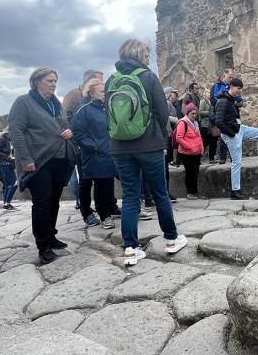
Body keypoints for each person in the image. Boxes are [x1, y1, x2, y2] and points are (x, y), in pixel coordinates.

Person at [107, 39, 188, 265]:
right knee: (160, 193)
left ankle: (131, 249)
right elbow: (162, 113)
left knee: (131, 196)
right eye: (146, 54)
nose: (147, 58)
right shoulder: (148, 77)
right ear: (138, 55)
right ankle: (171, 240)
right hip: (148, 145)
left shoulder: (111, 80)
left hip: (120, 147)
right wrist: (156, 135)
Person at [8, 68, 77, 264]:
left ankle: (51, 235)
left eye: (55, 80)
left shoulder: (56, 103)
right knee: (42, 202)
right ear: (36, 81)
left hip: (58, 159)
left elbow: (63, 126)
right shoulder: (24, 102)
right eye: (49, 80)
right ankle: (43, 245)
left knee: (54, 200)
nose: (54, 84)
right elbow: (16, 131)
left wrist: (68, 132)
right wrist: (25, 159)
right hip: (38, 161)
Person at [214, 77, 258, 200]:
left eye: (241, 89)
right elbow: (219, 122)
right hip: (231, 134)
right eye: (238, 88)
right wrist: (232, 134)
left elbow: (231, 117)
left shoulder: (231, 99)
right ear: (231, 87)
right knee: (237, 162)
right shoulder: (223, 101)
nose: (240, 91)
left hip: (239, 128)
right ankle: (235, 191)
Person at [71, 77, 117, 229]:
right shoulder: (83, 110)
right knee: (100, 184)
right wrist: (95, 146)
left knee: (108, 182)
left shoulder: (105, 107)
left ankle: (110, 209)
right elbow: (78, 133)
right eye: (102, 91)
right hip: (94, 154)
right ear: (91, 93)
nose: (105, 93)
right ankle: (104, 215)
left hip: (108, 152)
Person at [176, 103, 205, 199]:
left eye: (195, 113)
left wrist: (201, 148)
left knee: (195, 172)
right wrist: (189, 147)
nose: (194, 115)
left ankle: (195, 192)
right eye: (192, 113)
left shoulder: (195, 123)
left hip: (196, 152)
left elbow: (199, 137)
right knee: (189, 173)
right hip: (187, 153)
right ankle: (190, 193)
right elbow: (179, 138)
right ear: (187, 113)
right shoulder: (182, 123)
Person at [210, 68, 234, 164]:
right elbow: (213, 99)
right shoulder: (217, 86)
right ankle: (222, 157)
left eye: (232, 77)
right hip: (221, 114)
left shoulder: (232, 86)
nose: (231, 79)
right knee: (223, 135)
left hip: (231, 115)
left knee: (233, 135)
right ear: (224, 75)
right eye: (229, 77)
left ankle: (233, 157)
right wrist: (224, 104)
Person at [0, 129, 17, 210]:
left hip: (9, 165)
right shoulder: (1, 140)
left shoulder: (10, 141)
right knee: (14, 183)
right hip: (3, 164)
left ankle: (6, 203)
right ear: (7, 133)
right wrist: (7, 157)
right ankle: (7, 203)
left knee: (8, 184)